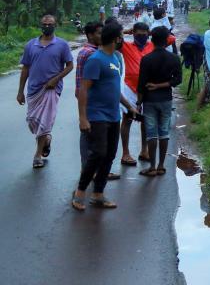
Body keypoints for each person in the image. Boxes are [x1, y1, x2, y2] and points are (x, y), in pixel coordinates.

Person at [73, 21, 135, 211]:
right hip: (97, 115)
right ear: (116, 38)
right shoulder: (96, 59)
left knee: (109, 155)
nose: (122, 40)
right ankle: (80, 192)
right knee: (98, 153)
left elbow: (114, 89)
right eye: (121, 37)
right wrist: (83, 118)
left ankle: (98, 194)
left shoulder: (115, 58)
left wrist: (129, 107)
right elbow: (84, 89)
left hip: (113, 115)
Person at [17, 15, 74, 169]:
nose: (47, 26)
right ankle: (46, 139)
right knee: (32, 121)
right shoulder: (31, 45)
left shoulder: (61, 45)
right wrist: (20, 91)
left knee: (45, 121)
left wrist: (56, 79)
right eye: (44, 24)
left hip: (51, 90)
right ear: (40, 25)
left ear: (55, 25)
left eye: (50, 24)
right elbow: (26, 68)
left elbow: (69, 66)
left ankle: (37, 155)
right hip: (33, 91)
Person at [74, 22, 122, 182]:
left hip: (104, 107)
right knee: (93, 145)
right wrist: (82, 116)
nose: (102, 37)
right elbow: (84, 87)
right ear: (90, 35)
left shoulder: (110, 56)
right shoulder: (91, 55)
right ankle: (86, 174)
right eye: (99, 33)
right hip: (92, 104)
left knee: (103, 148)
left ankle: (96, 176)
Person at [137, 27, 182, 177]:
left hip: (149, 100)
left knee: (151, 134)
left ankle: (152, 167)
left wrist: (138, 103)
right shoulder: (174, 58)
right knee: (164, 132)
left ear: (152, 40)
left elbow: (141, 83)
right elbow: (178, 80)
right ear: (167, 40)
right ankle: (161, 165)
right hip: (166, 99)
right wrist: (162, 85)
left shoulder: (146, 59)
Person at [118, 22, 150, 165]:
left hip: (148, 88)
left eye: (145, 34)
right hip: (130, 88)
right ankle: (125, 153)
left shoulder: (152, 45)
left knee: (146, 120)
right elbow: (114, 37)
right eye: (138, 34)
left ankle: (144, 150)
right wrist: (126, 31)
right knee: (127, 119)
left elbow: (170, 39)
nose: (141, 36)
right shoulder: (126, 46)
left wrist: (150, 34)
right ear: (133, 33)